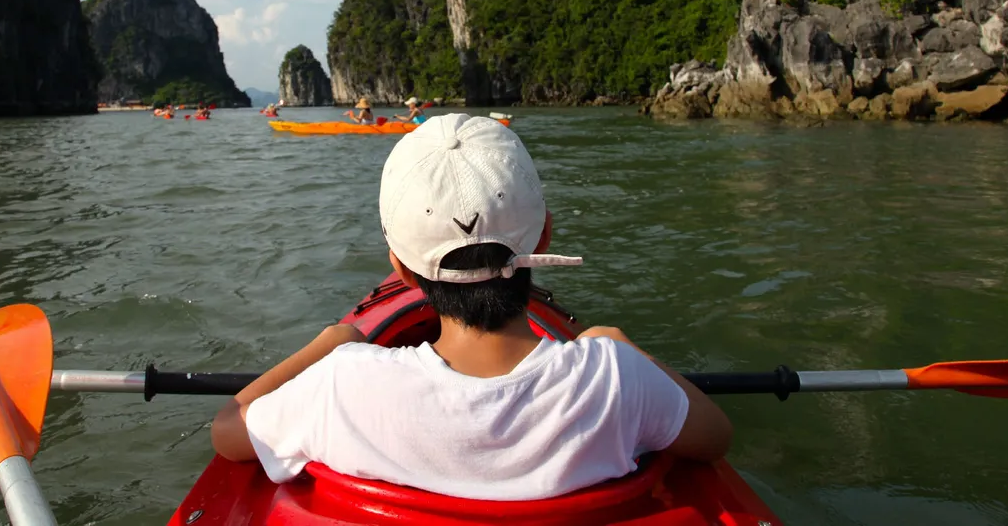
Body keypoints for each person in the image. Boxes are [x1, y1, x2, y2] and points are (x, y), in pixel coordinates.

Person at [211, 113, 733, 501]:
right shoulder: (615, 379)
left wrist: (332, 343)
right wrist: (615, 344)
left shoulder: (340, 385)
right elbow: (714, 437)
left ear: (399, 267)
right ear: (545, 235)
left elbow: (230, 432)